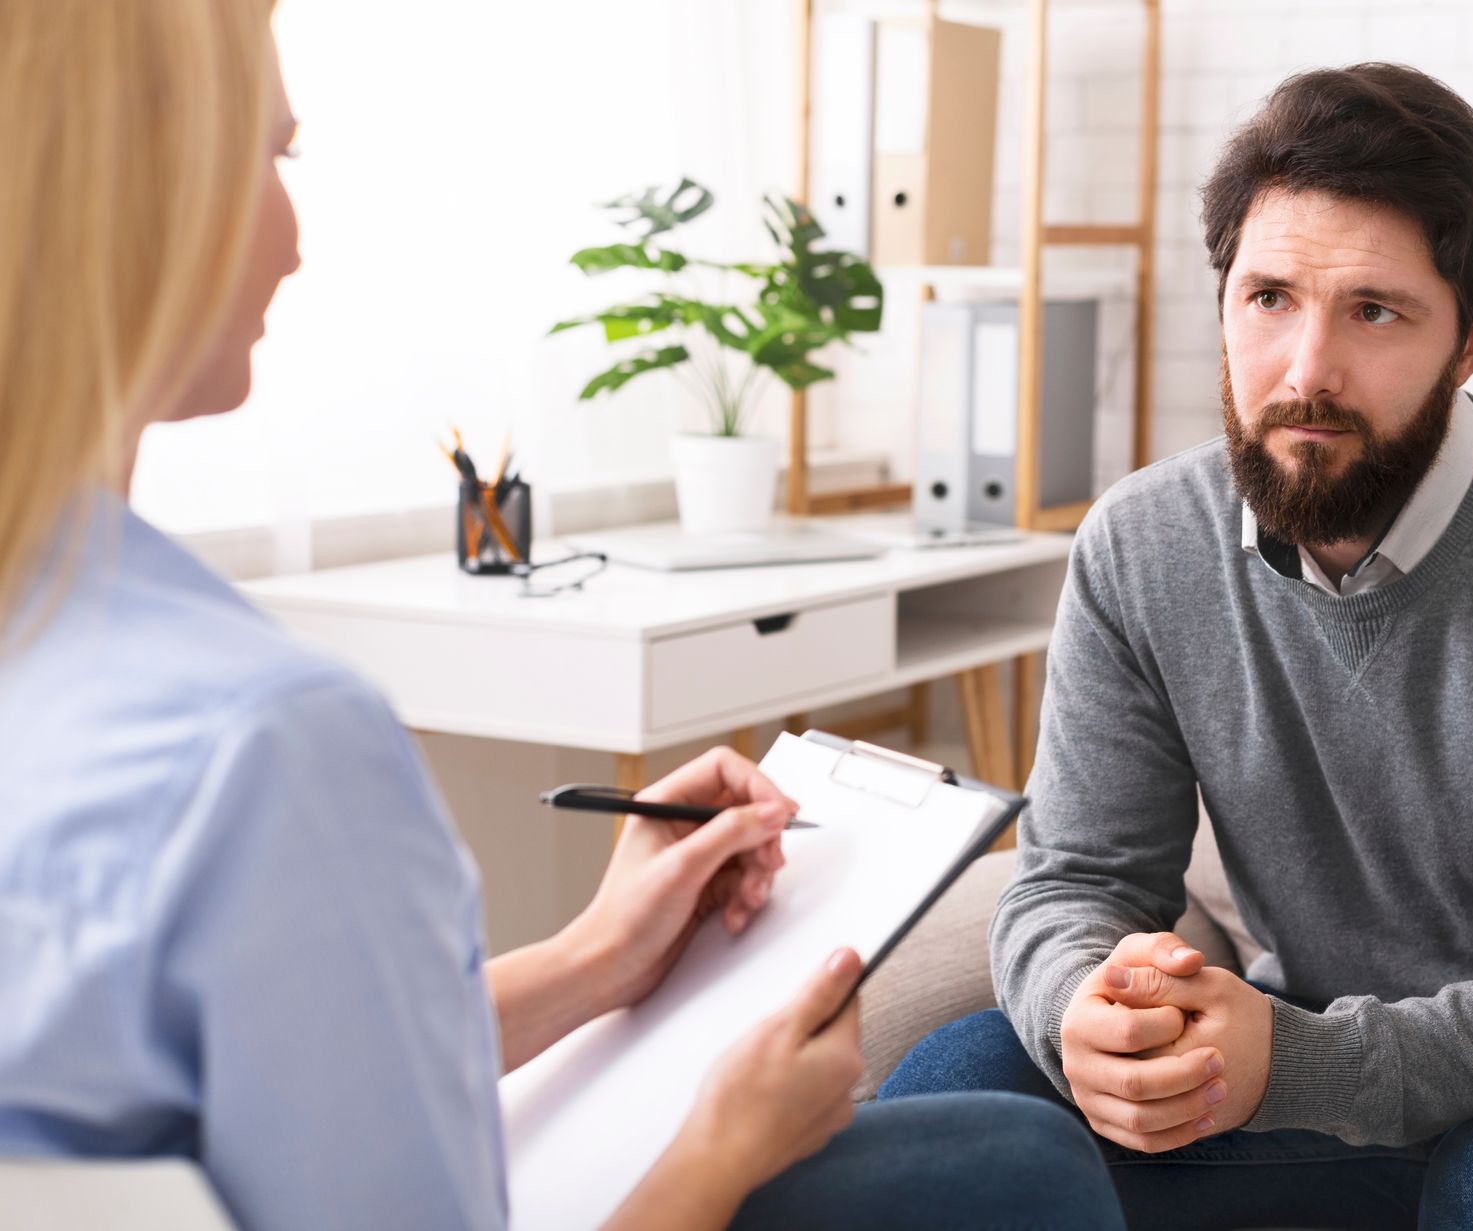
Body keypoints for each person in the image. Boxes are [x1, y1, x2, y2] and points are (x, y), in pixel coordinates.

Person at [0, 3, 1126, 1229]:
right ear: (134, 189)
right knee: (1020, 1166)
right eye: (274, 156)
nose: (295, 240)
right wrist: (723, 1147)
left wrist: (594, 956)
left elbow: (302, 1064)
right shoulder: (266, 742)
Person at [879, 62, 1473, 1230]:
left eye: (1374, 311)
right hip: (1314, 1065)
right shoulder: (1138, 547)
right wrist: (1085, 1004)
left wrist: (1303, 1061)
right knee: (958, 1092)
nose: (1306, 371)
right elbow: (1079, 880)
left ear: (1472, 339)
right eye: (1269, 298)